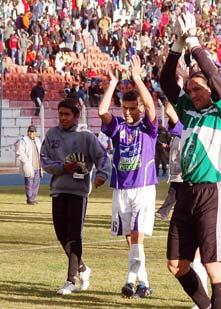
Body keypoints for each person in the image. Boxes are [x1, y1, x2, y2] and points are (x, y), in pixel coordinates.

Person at [160, 12, 221, 309]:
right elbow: (166, 81)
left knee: (212, 266)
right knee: (176, 264)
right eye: (190, 89)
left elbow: (216, 79)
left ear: (211, 90)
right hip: (186, 191)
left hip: (212, 192)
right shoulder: (187, 111)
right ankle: (206, 306)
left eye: (198, 88)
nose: (192, 93)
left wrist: (194, 44)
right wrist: (176, 46)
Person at [98, 55, 157, 298]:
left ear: (140, 108)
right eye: (125, 108)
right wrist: (112, 83)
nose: (129, 112)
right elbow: (102, 110)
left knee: (137, 235)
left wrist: (137, 79)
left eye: (134, 108)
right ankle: (143, 282)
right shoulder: (118, 127)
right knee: (130, 238)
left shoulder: (148, 128)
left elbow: (152, 108)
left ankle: (129, 280)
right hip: (121, 188)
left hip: (143, 188)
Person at [40, 98, 111, 295]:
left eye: (67, 114)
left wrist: (101, 175)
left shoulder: (86, 136)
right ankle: (82, 268)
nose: (63, 118)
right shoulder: (52, 134)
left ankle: (70, 280)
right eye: (60, 113)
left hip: (78, 192)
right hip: (58, 190)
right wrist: (62, 167)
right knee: (61, 236)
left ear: (76, 116)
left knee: (74, 236)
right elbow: (44, 159)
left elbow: (102, 157)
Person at [155, 102, 183, 220]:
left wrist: (175, 89)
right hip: (178, 171)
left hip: (184, 172)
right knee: (175, 192)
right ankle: (164, 212)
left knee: (175, 192)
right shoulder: (177, 135)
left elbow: (169, 111)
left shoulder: (184, 129)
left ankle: (163, 212)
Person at [15, 125, 42, 205]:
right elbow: (19, 152)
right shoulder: (23, 140)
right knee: (29, 183)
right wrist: (26, 162)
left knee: (36, 183)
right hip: (29, 165)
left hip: (37, 165)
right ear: (28, 132)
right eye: (30, 132)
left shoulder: (38, 140)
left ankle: (33, 198)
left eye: (33, 132)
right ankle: (29, 199)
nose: (31, 133)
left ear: (35, 133)